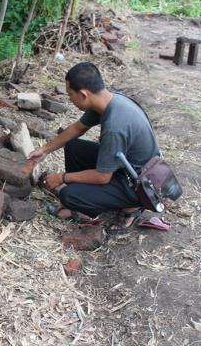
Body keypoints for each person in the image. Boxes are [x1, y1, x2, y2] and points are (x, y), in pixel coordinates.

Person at [28, 62, 159, 234]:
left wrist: (62, 177)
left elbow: (103, 177)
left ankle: (131, 208)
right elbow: (77, 128)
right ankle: (89, 200)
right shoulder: (111, 101)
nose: (69, 99)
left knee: (69, 195)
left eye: (70, 94)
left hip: (140, 184)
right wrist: (44, 149)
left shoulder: (115, 126)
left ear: (83, 94)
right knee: (74, 147)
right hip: (129, 167)